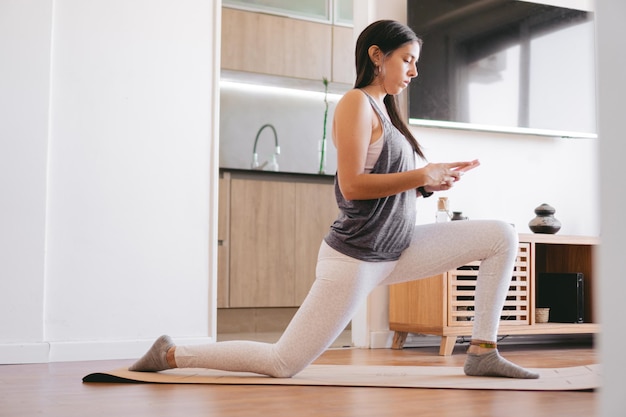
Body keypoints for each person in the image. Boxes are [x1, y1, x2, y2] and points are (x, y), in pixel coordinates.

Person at [129, 20, 538, 379]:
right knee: (282, 362)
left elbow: (383, 181)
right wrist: (419, 174)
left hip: (398, 247)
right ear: (377, 56)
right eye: (407, 60)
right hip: (356, 258)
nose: (415, 71)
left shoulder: (386, 112)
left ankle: (483, 351)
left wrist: (427, 185)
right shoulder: (354, 103)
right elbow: (354, 186)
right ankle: (170, 353)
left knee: (500, 235)